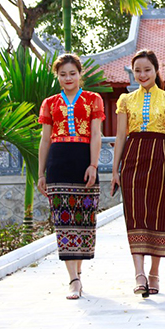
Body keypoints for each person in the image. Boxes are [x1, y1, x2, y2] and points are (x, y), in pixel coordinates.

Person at [110, 49, 165, 298]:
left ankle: (154, 273)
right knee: (135, 215)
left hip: (160, 158)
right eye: (137, 70)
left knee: (158, 213)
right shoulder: (125, 100)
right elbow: (120, 136)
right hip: (132, 158)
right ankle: (139, 275)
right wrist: (115, 170)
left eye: (147, 70)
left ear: (156, 69)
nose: (142, 74)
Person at [37, 54, 105, 300]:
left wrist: (93, 165)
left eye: (72, 73)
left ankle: (78, 271)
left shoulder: (93, 99)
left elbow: (96, 135)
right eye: (63, 74)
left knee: (84, 219)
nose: (68, 78)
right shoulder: (50, 103)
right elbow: (45, 139)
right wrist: (40, 173)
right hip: (58, 161)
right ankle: (73, 279)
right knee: (63, 220)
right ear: (57, 76)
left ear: (80, 74)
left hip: (83, 160)